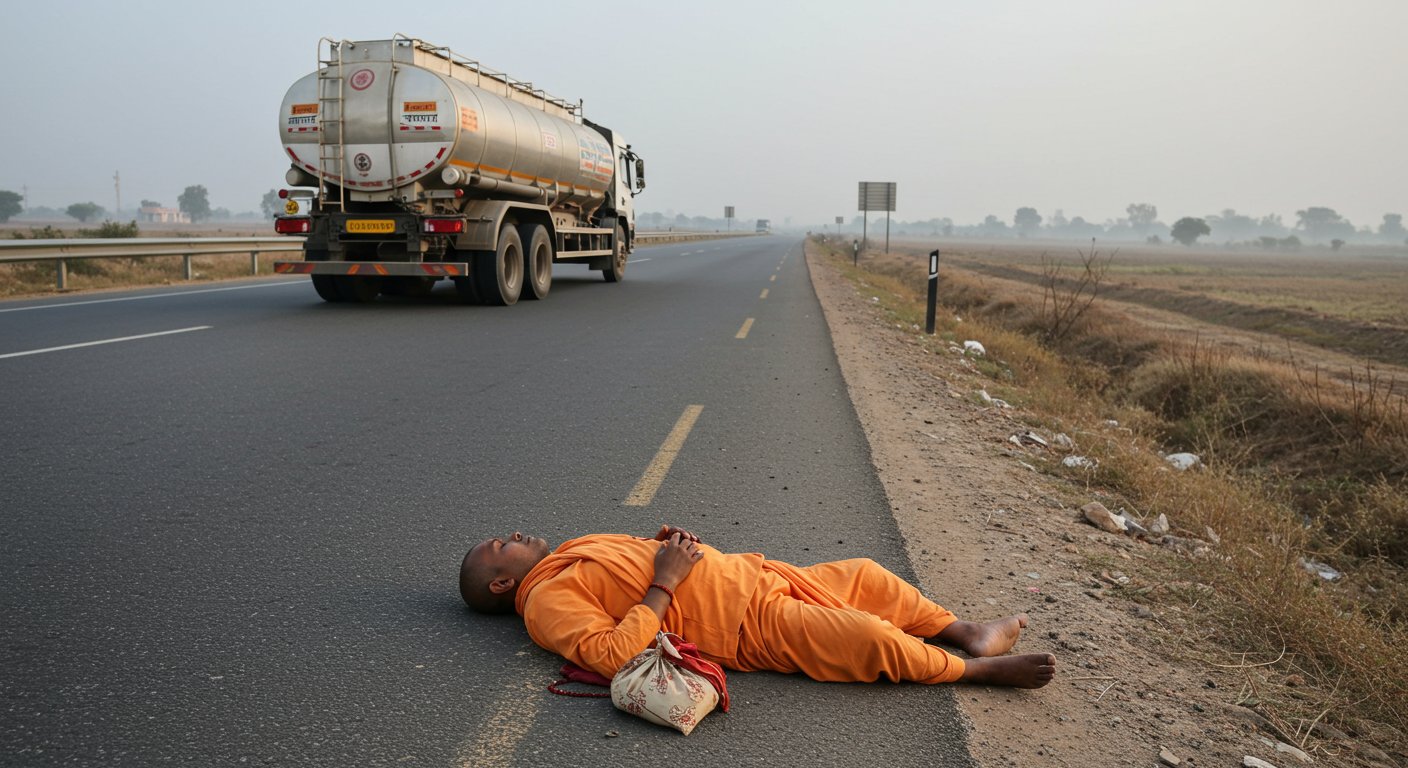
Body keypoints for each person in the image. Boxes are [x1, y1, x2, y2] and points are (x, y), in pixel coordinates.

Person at [459, 525, 1055, 689]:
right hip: (740, 624)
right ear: (501, 586)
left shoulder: (568, 552)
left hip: (749, 576)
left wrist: (664, 543)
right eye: (501, 544)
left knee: (867, 577)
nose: (514, 533)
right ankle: (971, 670)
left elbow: (628, 566)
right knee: (863, 634)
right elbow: (611, 655)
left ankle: (965, 630)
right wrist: (664, 582)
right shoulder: (545, 601)